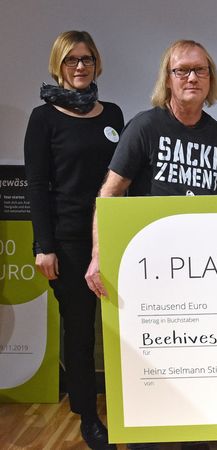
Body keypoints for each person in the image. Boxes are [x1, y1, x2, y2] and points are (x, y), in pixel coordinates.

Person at [84, 39, 217, 450]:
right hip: (148, 273)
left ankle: (196, 439)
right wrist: (99, 254)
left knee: (197, 368)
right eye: (181, 70)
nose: (190, 77)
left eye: (199, 70)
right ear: (167, 79)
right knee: (149, 372)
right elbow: (109, 193)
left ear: (210, 78)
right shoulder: (145, 127)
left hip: (199, 274)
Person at [24, 30, 124, 450]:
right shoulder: (43, 118)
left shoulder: (113, 115)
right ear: (58, 66)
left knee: (122, 330)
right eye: (71, 60)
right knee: (80, 333)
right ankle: (88, 416)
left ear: (96, 63)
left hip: (114, 237)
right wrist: (43, 246)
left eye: (86, 59)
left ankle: (132, 410)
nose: (80, 67)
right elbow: (36, 185)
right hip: (66, 242)